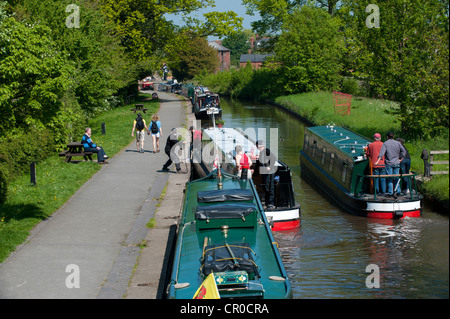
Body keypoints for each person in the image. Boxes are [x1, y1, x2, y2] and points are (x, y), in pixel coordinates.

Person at [375, 132, 406, 197]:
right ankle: (398, 191)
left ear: (387, 137)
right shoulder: (397, 143)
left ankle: (390, 192)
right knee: (396, 177)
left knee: (389, 178)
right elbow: (404, 151)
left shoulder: (385, 143)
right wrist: (400, 158)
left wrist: (377, 161)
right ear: (393, 136)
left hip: (389, 163)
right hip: (397, 163)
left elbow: (381, 154)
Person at [256, 140, 277, 208]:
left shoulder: (266, 151)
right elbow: (259, 162)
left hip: (270, 172)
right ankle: (267, 201)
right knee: (266, 186)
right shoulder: (261, 153)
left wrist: (269, 167)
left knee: (270, 187)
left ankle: (271, 202)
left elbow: (273, 158)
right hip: (264, 172)